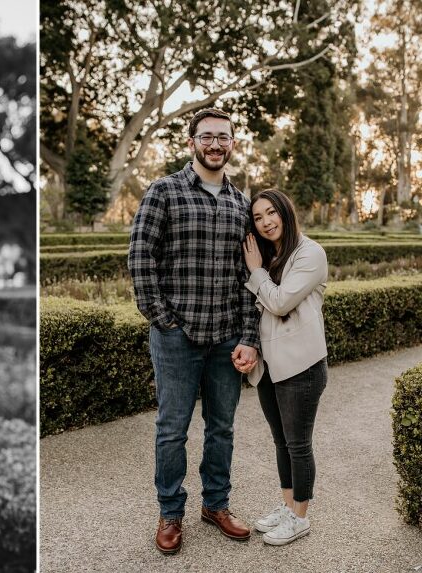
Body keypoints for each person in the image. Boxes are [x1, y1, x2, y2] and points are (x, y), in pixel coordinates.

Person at [128, 107, 260, 555]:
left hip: (226, 336)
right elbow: (140, 257)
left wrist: (248, 336)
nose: (215, 144)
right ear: (192, 143)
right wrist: (162, 319)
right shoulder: (163, 191)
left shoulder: (241, 203)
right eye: (207, 136)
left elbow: (248, 275)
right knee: (172, 430)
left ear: (232, 144)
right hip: (176, 337)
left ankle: (216, 505)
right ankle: (170, 512)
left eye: (223, 137)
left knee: (221, 428)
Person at [239, 188, 328, 546]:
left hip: (301, 367)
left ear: (285, 212)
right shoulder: (273, 256)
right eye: (258, 217)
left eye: (271, 213)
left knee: (298, 445)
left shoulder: (310, 253)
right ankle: (287, 505)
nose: (265, 222)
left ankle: (300, 518)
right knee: (281, 442)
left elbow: (278, 302)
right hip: (270, 367)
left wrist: (256, 271)